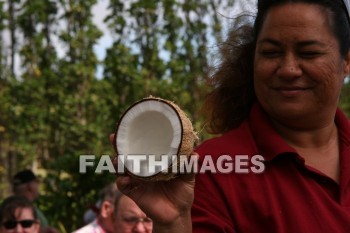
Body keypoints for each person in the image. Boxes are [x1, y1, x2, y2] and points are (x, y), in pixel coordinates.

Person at [111, 0, 350, 232]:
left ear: (346, 61)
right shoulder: (209, 171)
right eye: (270, 52)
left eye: (308, 53)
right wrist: (172, 224)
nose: (288, 68)